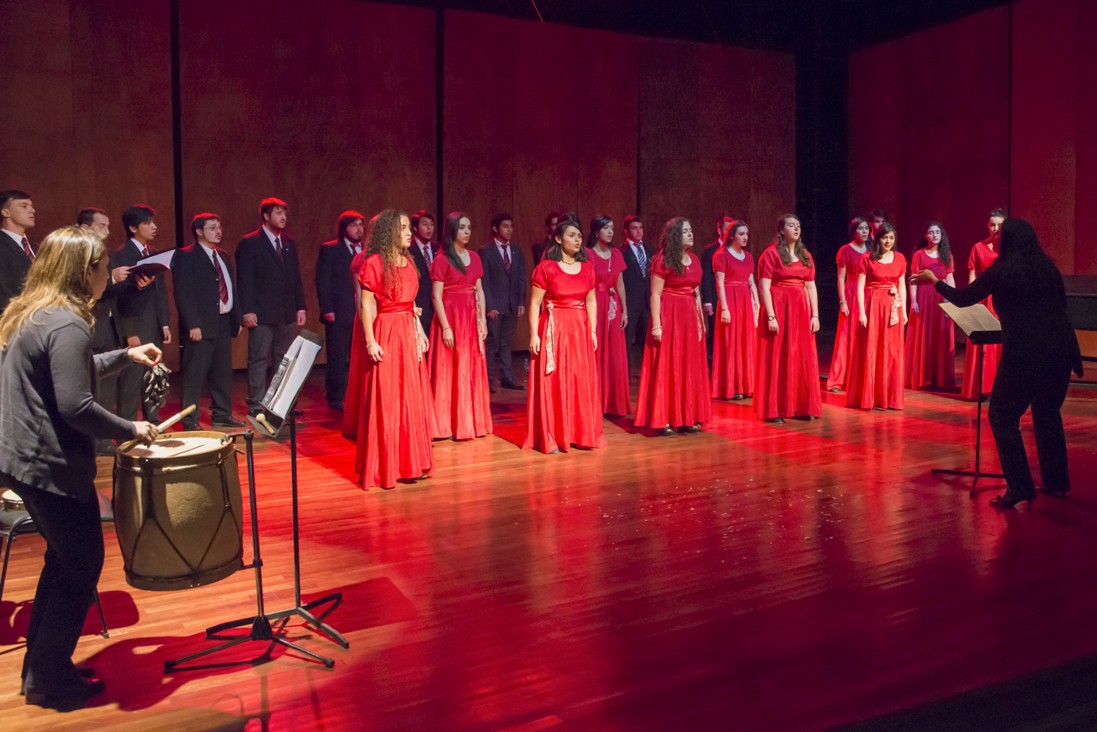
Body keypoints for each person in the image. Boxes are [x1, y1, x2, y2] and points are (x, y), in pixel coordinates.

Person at [0, 226, 159, 710]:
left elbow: (70, 371)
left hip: (19, 459)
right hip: (48, 465)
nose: (106, 274)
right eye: (101, 266)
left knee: (64, 559)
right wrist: (131, 429)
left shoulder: (35, 312)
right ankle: (51, 681)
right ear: (84, 271)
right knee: (82, 563)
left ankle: (42, 667)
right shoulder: (68, 323)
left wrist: (125, 355)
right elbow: (75, 404)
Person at [914, 219, 1083, 508]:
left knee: (1002, 416)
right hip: (1060, 350)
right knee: (1047, 414)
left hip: (1026, 352)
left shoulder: (1003, 271)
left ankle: (1020, 486)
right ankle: (1056, 483)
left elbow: (964, 298)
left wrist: (935, 281)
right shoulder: (1047, 268)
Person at [347, 210, 434, 488]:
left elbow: (409, 303)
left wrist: (418, 329)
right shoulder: (373, 263)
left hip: (407, 330)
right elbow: (367, 304)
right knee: (387, 398)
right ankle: (385, 465)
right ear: (389, 233)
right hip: (386, 330)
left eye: (410, 227)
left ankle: (410, 462)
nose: (410, 232)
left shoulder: (409, 262)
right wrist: (371, 340)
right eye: (405, 228)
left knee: (411, 396)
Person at [524, 218, 606, 453]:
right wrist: (533, 335)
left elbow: (591, 301)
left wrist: (592, 330)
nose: (578, 239)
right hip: (554, 328)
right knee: (555, 380)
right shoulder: (546, 268)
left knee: (579, 379)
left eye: (579, 235)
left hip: (578, 329)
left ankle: (579, 433)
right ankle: (553, 435)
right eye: (572, 235)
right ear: (558, 239)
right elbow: (534, 303)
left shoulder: (588, 268)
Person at [634, 217, 712, 434]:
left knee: (689, 365)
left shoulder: (695, 260)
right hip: (669, 314)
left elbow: (695, 291)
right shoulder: (662, 260)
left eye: (691, 230)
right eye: (686, 231)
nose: (691, 234)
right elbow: (655, 294)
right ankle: (664, 418)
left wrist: (700, 321)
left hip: (689, 315)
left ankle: (687, 416)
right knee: (668, 364)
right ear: (675, 236)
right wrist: (657, 325)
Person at [235, 197, 306, 417]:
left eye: (284, 212)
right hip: (261, 312)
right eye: (277, 213)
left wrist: (300, 306)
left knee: (283, 358)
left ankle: (279, 402)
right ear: (266, 216)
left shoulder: (288, 243)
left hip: (286, 311)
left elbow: (295, 278)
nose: (283, 217)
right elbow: (244, 279)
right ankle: (256, 402)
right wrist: (247, 310)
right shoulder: (250, 243)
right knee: (259, 357)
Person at [173, 213, 245, 430]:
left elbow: (232, 287)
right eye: (213, 227)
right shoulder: (186, 255)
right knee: (195, 374)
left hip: (223, 322)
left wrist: (237, 317)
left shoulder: (222, 255)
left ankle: (222, 414)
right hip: (201, 325)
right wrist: (192, 323)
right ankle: (190, 419)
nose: (218, 231)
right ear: (199, 231)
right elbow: (183, 293)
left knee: (222, 373)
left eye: (219, 227)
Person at [754, 214, 822, 423]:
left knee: (801, 355)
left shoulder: (805, 255)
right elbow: (764, 286)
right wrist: (771, 315)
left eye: (798, 225)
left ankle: (802, 405)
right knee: (777, 355)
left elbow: (810, 285)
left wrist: (815, 315)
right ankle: (774, 409)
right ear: (782, 230)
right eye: (791, 225)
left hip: (801, 310)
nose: (796, 228)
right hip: (779, 307)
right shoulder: (771, 254)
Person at [429, 212, 492, 439]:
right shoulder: (442, 259)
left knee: (470, 366)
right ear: (452, 230)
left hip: (470, 318)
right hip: (451, 317)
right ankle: (446, 424)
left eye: (469, 227)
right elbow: (436, 295)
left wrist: (482, 320)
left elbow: (480, 290)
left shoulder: (475, 257)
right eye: (463, 227)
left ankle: (471, 422)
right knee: (449, 368)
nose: (467, 232)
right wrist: (446, 327)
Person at [110, 205, 171, 422]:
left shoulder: (153, 253)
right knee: (131, 379)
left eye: (153, 222)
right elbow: (118, 298)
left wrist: (164, 323)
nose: (153, 227)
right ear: (133, 227)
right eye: (148, 223)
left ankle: (152, 421)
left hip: (153, 323)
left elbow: (161, 292)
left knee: (153, 374)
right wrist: (129, 332)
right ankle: (126, 425)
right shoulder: (120, 255)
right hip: (135, 325)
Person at [77, 208, 130, 453]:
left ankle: (104, 439)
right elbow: (80, 288)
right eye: (102, 226)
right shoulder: (74, 252)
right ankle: (88, 438)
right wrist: (112, 280)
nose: (107, 232)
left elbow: (110, 294)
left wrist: (126, 281)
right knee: (84, 381)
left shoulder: (106, 253)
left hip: (108, 324)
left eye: (109, 226)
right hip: (86, 323)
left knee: (107, 382)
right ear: (85, 228)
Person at [845, 222, 907, 410]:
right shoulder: (867, 258)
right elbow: (859, 287)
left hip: (892, 307)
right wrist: (862, 312)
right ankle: (870, 396)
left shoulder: (900, 258)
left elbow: (902, 285)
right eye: (884, 237)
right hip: (873, 306)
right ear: (878, 238)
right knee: (872, 348)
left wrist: (903, 310)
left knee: (891, 351)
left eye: (891, 238)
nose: (888, 241)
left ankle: (889, 397)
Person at [316, 210, 364, 410]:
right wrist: (327, 308)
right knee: (337, 355)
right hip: (339, 311)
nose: (358, 229)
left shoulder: (367, 250)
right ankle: (335, 396)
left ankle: (358, 394)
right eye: (354, 225)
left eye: (361, 225)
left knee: (359, 355)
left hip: (362, 312)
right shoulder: (331, 249)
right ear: (345, 228)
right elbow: (322, 280)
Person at [960, 208, 1006, 400]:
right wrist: (971, 299)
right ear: (987, 226)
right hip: (984, 299)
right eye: (992, 224)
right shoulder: (978, 247)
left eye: (999, 225)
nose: (995, 228)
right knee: (983, 344)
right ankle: (980, 388)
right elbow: (972, 275)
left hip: (1004, 300)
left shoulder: (1010, 248)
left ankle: (1002, 389)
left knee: (1002, 344)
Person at [588, 215, 631, 416]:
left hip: (613, 307)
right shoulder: (588, 254)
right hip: (595, 302)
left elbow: (621, 284)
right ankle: (595, 402)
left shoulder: (616, 254)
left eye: (612, 228)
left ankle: (613, 402)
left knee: (614, 353)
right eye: (606, 228)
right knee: (597, 352)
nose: (610, 232)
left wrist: (625, 310)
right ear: (597, 231)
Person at [711, 220, 758, 400]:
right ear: (732, 236)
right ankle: (730, 386)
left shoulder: (748, 257)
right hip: (730, 299)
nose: (745, 237)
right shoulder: (721, 255)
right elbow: (720, 283)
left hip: (745, 300)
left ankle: (746, 384)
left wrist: (757, 305)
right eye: (741, 234)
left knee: (746, 341)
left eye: (746, 234)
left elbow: (751, 282)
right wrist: (724, 308)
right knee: (730, 341)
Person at [905, 221, 956, 390]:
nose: (935, 235)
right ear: (926, 235)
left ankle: (940, 378)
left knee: (940, 335)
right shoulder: (919, 254)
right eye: (931, 233)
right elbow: (913, 279)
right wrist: (913, 300)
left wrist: (952, 300)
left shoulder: (947, 255)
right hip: (924, 296)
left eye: (938, 232)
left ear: (942, 235)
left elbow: (949, 279)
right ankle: (921, 377)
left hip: (941, 297)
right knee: (923, 335)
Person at [480, 212, 526, 391]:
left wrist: (521, 301)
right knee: (491, 343)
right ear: (495, 228)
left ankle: (507, 378)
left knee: (507, 343)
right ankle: (489, 381)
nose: (509, 230)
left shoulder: (516, 250)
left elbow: (521, 277)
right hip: (495, 306)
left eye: (511, 226)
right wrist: (489, 306)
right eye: (505, 226)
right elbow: (484, 280)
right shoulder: (486, 251)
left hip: (512, 304)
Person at [826, 217, 871, 392]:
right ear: (854, 231)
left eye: (867, 228)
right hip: (852, 292)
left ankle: (860, 377)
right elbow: (840, 278)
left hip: (868, 294)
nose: (865, 231)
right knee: (847, 335)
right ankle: (838, 379)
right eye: (861, 228)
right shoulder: (845, 250)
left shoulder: (872, 250)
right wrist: (842, 301)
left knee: (863, 336)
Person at [700, 215, 735, 363]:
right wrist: (707, 301)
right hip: (715, 297)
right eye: (726, 229)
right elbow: (706, 277)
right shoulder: (710, 251)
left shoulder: (735, 249)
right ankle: (712, 361)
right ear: (719, 229)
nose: (729, 232)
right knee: (715, 329)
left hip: (732, 296)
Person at [620, 215, 652, 377]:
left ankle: (648, 374)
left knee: (646, 341)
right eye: (634, 228)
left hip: (647, 303)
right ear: (626, 231)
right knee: (626, 341)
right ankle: (625, 376)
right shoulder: (621, 252)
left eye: (640, 228)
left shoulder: (649, 250)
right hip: (631, 303)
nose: (638, 231)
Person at [0, 189, 37, 314]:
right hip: (14, 318)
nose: (32, 210)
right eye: (24, 206)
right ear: (6, 212)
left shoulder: (36, 247)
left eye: (31, 206)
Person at [408, 210, 437, 336]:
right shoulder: (408, 250)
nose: (429, 228)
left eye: (431, 224)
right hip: (419, 305)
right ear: (415, 228)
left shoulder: (439, 248)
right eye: (425, 224)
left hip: (437, 306)